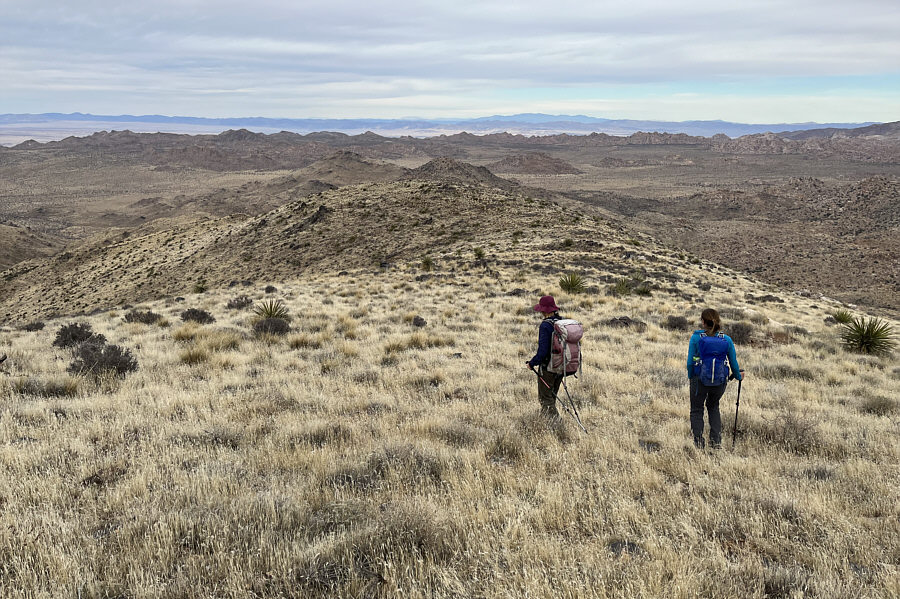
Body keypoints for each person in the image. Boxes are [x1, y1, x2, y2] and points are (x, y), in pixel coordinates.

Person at [686, 308, 743, 449]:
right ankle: (716, 442)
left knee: (697, 409)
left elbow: (689, 363)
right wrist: (737, 375)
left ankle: (699, 443)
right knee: (713, 407)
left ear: (703, 322)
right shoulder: (726, 339)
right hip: (719, 382)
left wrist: (691, 377)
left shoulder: (696, 338)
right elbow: (733, 363)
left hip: (699, 380)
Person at [526, 295, 564, 419]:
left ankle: (556, 424)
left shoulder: (545, 325)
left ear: (544, 310)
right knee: (552, 396)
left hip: (548, 367)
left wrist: (532, 363)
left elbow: (542, 351)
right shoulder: (561, 322)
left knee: (545, 399)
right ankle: (545, 421)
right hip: (562, 366)